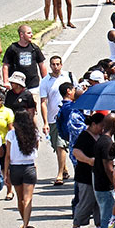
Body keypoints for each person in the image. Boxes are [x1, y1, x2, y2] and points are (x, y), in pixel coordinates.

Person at [40, 56, 73, 185]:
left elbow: (76, 92)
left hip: (67, 116)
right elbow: (43, 102)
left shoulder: (68, 76)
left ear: (61, 64)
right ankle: (64, 168)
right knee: (56, 145)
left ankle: (59, 174)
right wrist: (45, 122)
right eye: (53, 64)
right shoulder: (45, 81)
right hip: (53, 118)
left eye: (58, 64)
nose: (56, 67)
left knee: (61, 145)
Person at [71, 113, 105, 228]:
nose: (102, 128)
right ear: (93, 124)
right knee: (86, 201)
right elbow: (76, 151)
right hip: (85, 175)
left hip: (98, 175)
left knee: (98, 202)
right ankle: (76, 225)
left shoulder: (100, 136)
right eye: (101, 125)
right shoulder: (84, 136)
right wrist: (88, 160)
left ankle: (99, 224)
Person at [4, 111, 39, 228]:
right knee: (28, 198)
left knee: (20, 198)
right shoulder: (34, 133)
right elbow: (36, 149)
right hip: (29, 166)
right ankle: (26, 223)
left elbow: (7, 155)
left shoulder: (11, 134)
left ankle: (24, 222)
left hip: (15, 168)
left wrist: (5, 173)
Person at [93, 113, 115, 228]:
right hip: (105, 187)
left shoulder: (101, 140)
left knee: (107, 216)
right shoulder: (106, 143)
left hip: (99, 184)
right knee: (109, 219)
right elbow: (108, 168)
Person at [1, 24, 47, 93]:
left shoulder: (34, 48)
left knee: (32, 103)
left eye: (31, 33)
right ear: (21, 35)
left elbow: (41, 65)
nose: (31, 35)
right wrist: (6, 81)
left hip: (33, 85)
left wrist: (46, 81)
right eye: (28, 33)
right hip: (17, 86)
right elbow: (5, 66)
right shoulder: (13, 48)